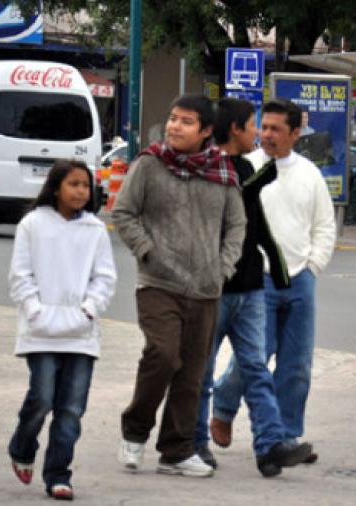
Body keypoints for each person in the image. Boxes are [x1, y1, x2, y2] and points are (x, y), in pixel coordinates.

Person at [113, 94, 246, 478]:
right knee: (163, 355)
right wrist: (146, 249)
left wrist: (224, 266)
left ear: (206, 131)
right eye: (173, 119)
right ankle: (135, 432)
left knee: (191, 374)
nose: (175, 127)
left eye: (186, 122)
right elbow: (123, 212)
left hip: (206, 289)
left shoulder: (222, 171)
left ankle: (176, 451)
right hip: (158, 282)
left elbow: (236, 224)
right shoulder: (150, 165)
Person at [210, 99, 336, 462]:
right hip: (255, 278)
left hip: (299, 278)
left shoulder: (309, 174)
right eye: (263, 127)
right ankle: (224, 404)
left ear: (295, 133)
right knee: (256, 355)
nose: (266, 135)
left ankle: (285, 436)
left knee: (297, 363)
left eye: (276, 129)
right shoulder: (243, 167)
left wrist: (313, 266)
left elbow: (324, 226)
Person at [193, 97, 312, 477]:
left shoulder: (244, 166)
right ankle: (196, 441)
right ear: (235, 130)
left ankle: (269, 445)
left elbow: (257, 227)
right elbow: (251, 185)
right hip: (214, 289)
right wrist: (276, 156)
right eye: (253, 126)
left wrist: (279, 273)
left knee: (256, 368)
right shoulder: (212, 169)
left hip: (250, 288)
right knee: (202, 369)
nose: (259, 134)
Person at [7, 159, 117, 501]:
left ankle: (58, 473)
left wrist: (88, 310)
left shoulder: (95, 230)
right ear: (56, 188)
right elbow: (20, 275)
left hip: (80, 334)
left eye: (86, 185)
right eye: (74, 184)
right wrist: (35, 310)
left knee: (71, 409)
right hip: (40, 330)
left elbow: (105, 278)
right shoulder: (32, 224)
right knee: (41, 397)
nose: (81, 191)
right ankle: (22, 446)